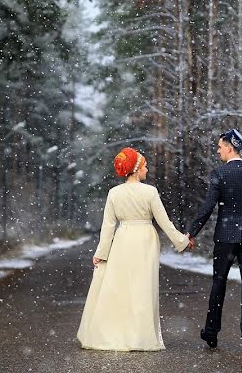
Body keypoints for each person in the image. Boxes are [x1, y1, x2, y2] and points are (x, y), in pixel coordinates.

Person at [77, 147, 191, 351]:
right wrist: (181, 241)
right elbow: (164, 222)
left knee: (121, 287)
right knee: (142, 287)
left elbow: (108, 226)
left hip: (123, 239)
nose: (147, 169)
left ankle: (116, 333)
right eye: (145, 166)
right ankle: (139, 336)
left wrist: (101, 254)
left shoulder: (114, 193)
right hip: (145, 240)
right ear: (137, 169)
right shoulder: (150, 192)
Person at [187, 129, 242, 352]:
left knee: (219, 283)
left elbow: (207, 207)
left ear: (229, 147)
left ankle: (211, 333)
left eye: (219, 146)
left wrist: (192, 232)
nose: (217, 151)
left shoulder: (219, 174)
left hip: (225, 236)